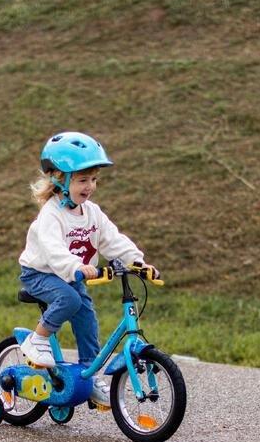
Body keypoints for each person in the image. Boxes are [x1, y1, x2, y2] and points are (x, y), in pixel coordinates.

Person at [17, 131, 157, 409]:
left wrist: (137, 262)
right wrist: (77, 268)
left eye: (93, 179)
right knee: (68, 300)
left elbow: (112, 239)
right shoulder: (51, 214)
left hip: (74, 276)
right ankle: (37, 339)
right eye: (82, 180)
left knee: (87, 321)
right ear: (60, 179)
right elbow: (54, 250)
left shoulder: (92, 212)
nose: (90, 186)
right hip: (41, 274)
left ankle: (89, 375)